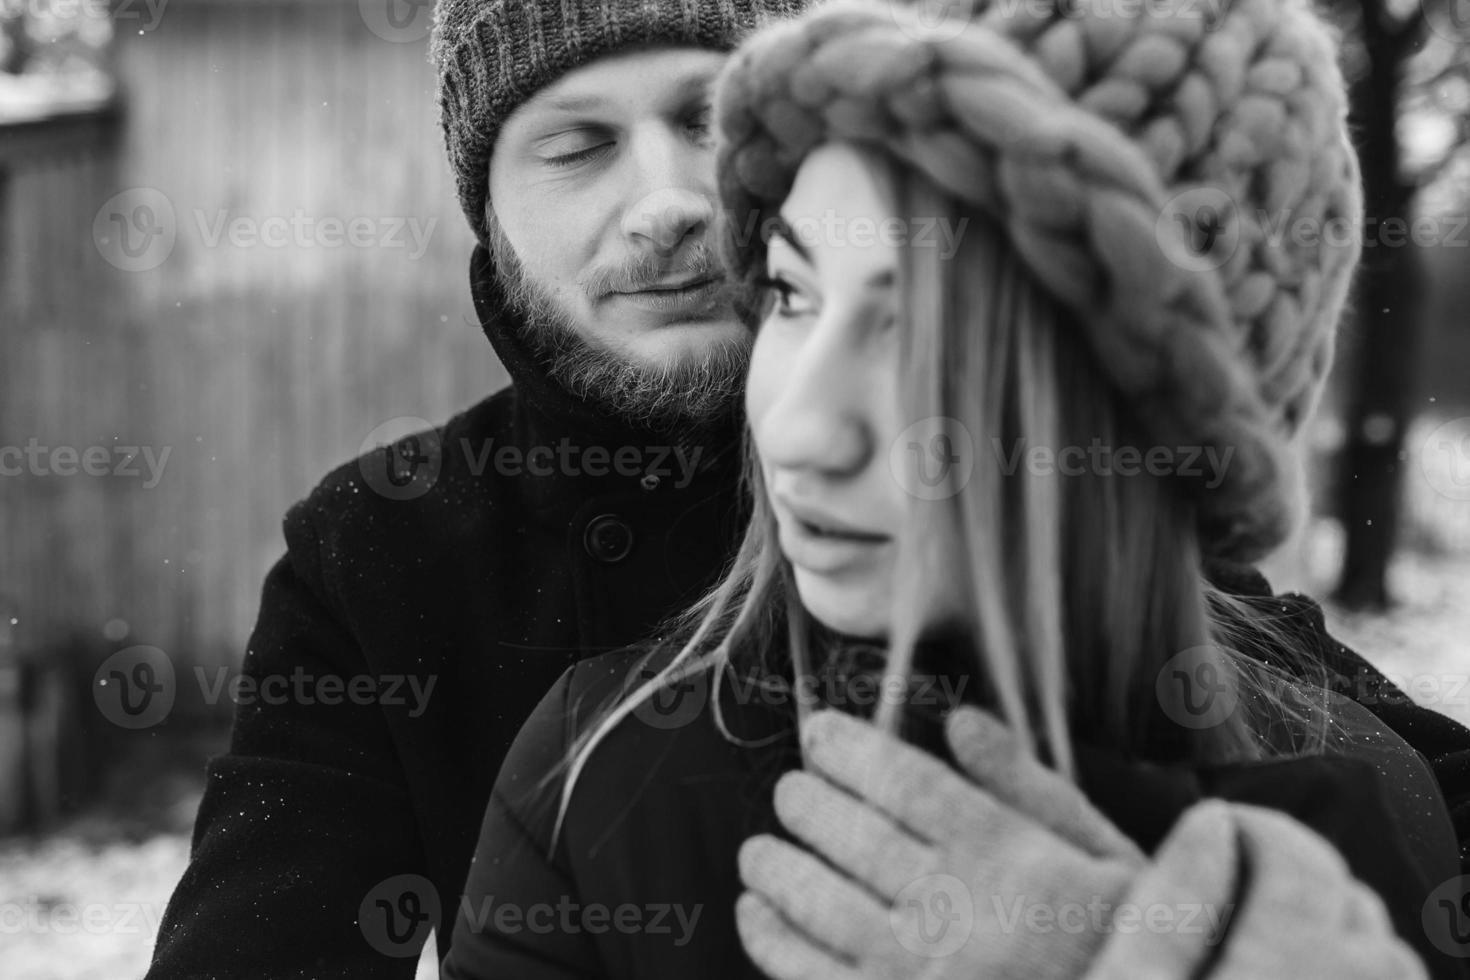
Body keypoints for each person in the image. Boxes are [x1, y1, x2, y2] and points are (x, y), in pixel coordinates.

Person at [443, 0, 1470, 978]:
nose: (801, 423)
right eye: (794, 293)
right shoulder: (604, 778)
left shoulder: (1362, 825)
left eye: (926, 337)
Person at [142, 2, 806, 977]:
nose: (667, 202)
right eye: (579, 146)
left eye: (712, 121)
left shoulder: (985, 484)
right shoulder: (381, 553)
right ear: (486, 211)